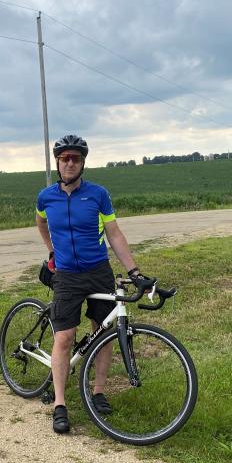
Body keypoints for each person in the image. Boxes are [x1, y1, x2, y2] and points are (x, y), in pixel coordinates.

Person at [35, 134, 150, 435]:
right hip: (68, 275)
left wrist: (134, 270)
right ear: (58, 163)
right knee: (65, 337)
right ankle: (60, 403)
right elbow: (41, 223)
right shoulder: (46, 196)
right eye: (65, 158)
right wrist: (51, 251)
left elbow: (114, 233)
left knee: (104, 331)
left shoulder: (98, 194)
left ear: (83, 162)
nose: (70, 162)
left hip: (98, 270)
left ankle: (98, 391)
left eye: (75, 158)